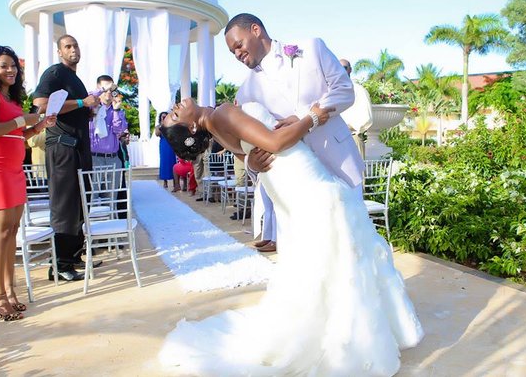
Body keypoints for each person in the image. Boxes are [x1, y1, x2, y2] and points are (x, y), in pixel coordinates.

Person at [157, 98, 424, 375]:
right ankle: (346, 339)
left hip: (290, 187)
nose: (179, 104)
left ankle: (335, 329)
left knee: (329, 258)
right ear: (190, 127)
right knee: (340, 255)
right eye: (176, 113)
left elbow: (243, 151)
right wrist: (313, 117)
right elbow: (273, 143)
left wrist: (250, 161)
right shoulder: (221, 114)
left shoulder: (214, 122)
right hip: (307, 184)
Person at [226, 13, 364, 253]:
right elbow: (246, 144)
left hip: (339, 162)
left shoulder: (311, 48)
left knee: (353, 242)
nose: (237, 54)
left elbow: (344, 90)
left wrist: (304, 117)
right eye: (232, 52)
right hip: (298, 180)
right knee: (313, 250)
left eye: (238, 45)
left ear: (256, 30)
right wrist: (252, 164)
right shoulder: (245, 93)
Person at [0, 45, 56, 321]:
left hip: (13, 169)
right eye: (4, 65)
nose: (11, 70)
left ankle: (9, 288)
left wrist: (37, 126)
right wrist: (22, 119)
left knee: (12, 230)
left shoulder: (9, 97)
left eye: (14, 66)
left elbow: (17, 134)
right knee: (1, 233)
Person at [32, 34, 101, 281]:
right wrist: (82, 101)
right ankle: (59, 266)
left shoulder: (75, 79)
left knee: (81, 204)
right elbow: (40, 103)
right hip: (62, 148)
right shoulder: (55, 73)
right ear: (60, 52)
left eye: (76, 45)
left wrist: (86, 111)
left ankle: (73, 258)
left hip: (79, 148)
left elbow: (72, 108)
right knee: (64, 207)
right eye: (68, 46)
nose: (73, 50)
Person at [89, 75, 127, 172]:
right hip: (94, 158)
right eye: (106, 88)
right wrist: (102, 89)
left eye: (112, 88)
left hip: (113, 158)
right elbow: (86, 97)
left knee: (115, 187)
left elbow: (118, 130)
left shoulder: (118, 110)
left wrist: (116, 110)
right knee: (96, 187)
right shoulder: (91, 106)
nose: (109, 91)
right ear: (99, 88)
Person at [339, 58, 373, 158]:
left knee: (357, 172)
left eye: (344, 68)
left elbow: (367, 117)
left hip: (352, 137)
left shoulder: (359, 90)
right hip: (334, 140)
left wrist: (351, 128)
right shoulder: (331, 89)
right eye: (338, 67)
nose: (341, 70)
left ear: (350, 70)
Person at [154, 112, 175, 189]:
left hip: (171, 144)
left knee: (172, 162)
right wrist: (162, 124)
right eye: (162, 117)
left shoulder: (171, 125)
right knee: (164, 162)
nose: (164, 118)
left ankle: (174, 182)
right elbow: (157, 134)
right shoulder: (158, 126)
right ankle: (165, 181)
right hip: (163, 144)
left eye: (165, 117)